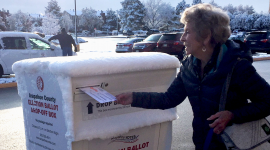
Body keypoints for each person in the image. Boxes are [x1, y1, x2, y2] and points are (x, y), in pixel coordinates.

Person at [115, 3, 270, 150]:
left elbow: (267, 101)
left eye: (187, 32)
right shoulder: (189, 67)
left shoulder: (238, 67)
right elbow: (169, 98)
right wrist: (133, 98)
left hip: (232, 143)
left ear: (206, 37)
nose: (182, 38)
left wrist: (233, 115)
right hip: (203, 142)